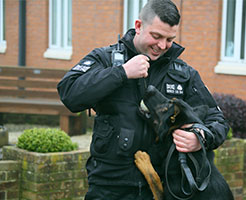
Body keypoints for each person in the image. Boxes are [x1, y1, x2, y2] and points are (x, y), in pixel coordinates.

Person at [57, 0, 233, 199]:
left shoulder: (184, 74)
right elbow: (69, 93)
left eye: (169, 39)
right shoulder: (106, 59)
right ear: (139, 26)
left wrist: (200, 138)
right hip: (110, 186)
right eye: (156, 36)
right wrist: (121, 73)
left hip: (161, 188)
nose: (162, 45)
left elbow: (217, 120)